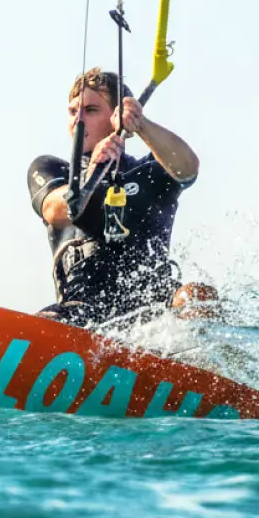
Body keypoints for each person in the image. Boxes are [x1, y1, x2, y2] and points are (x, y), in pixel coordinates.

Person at [28, 68, 201, 327]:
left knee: (197, 295)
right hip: (83, 310)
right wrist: (93, 174)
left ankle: (198, 364)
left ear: (117, 117)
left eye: (91, 110)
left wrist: (141, 124)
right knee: (44, 322)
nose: (78, 119)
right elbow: (55, 210)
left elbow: (188, 167)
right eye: (73, 111)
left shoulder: (151, 171)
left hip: (155, 312)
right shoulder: (52, 169)